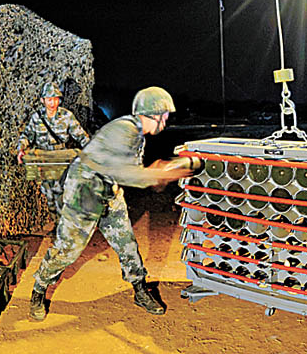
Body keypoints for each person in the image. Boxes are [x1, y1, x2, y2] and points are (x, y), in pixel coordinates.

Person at [29, 86, 194, 321]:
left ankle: (139, 289)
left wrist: (159, 174)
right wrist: (163, 172)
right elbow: (128, 174)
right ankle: (38, 289)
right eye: (165, 117)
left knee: (126, 243)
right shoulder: (124, 130)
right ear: (152, 114)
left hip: (109, 191)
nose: (166, 122)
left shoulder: (137, 135)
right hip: (84, 194)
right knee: (67, 250)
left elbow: (131, 173)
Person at [17, 82, 90, 215]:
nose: (53, 103)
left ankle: (64, 227)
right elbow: (27, 136)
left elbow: (81, 136)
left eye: (55, 99)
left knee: (60, 194)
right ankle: (57, 223)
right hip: (44, 160)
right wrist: (21, 149)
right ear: (42, 100)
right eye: (49, 99)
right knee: (49, 196)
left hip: (61, 159)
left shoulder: (66, 116)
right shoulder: (37, 118)